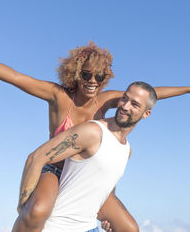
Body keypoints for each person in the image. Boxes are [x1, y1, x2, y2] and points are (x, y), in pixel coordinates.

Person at [0, 34, 190, 232]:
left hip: (89, 176)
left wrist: (186, 89)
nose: (92, 82)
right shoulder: (58, 97)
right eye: (87, 75)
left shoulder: (106, 99)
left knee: (130, 229)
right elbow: (14, 76)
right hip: (56, 170)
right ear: (76, 73)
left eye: (99, 77)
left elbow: (149, 94)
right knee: (37, 212)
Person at [16, 81, 157, 232]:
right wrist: (23, 207)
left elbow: (105, 187)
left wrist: (106, 219)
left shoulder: (126, 151)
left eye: (135, 104)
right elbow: (36, 157)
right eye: (124, 98)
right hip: (55, 226)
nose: (125, 106)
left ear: (146, 114)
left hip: (88, 228)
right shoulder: (93, 131)